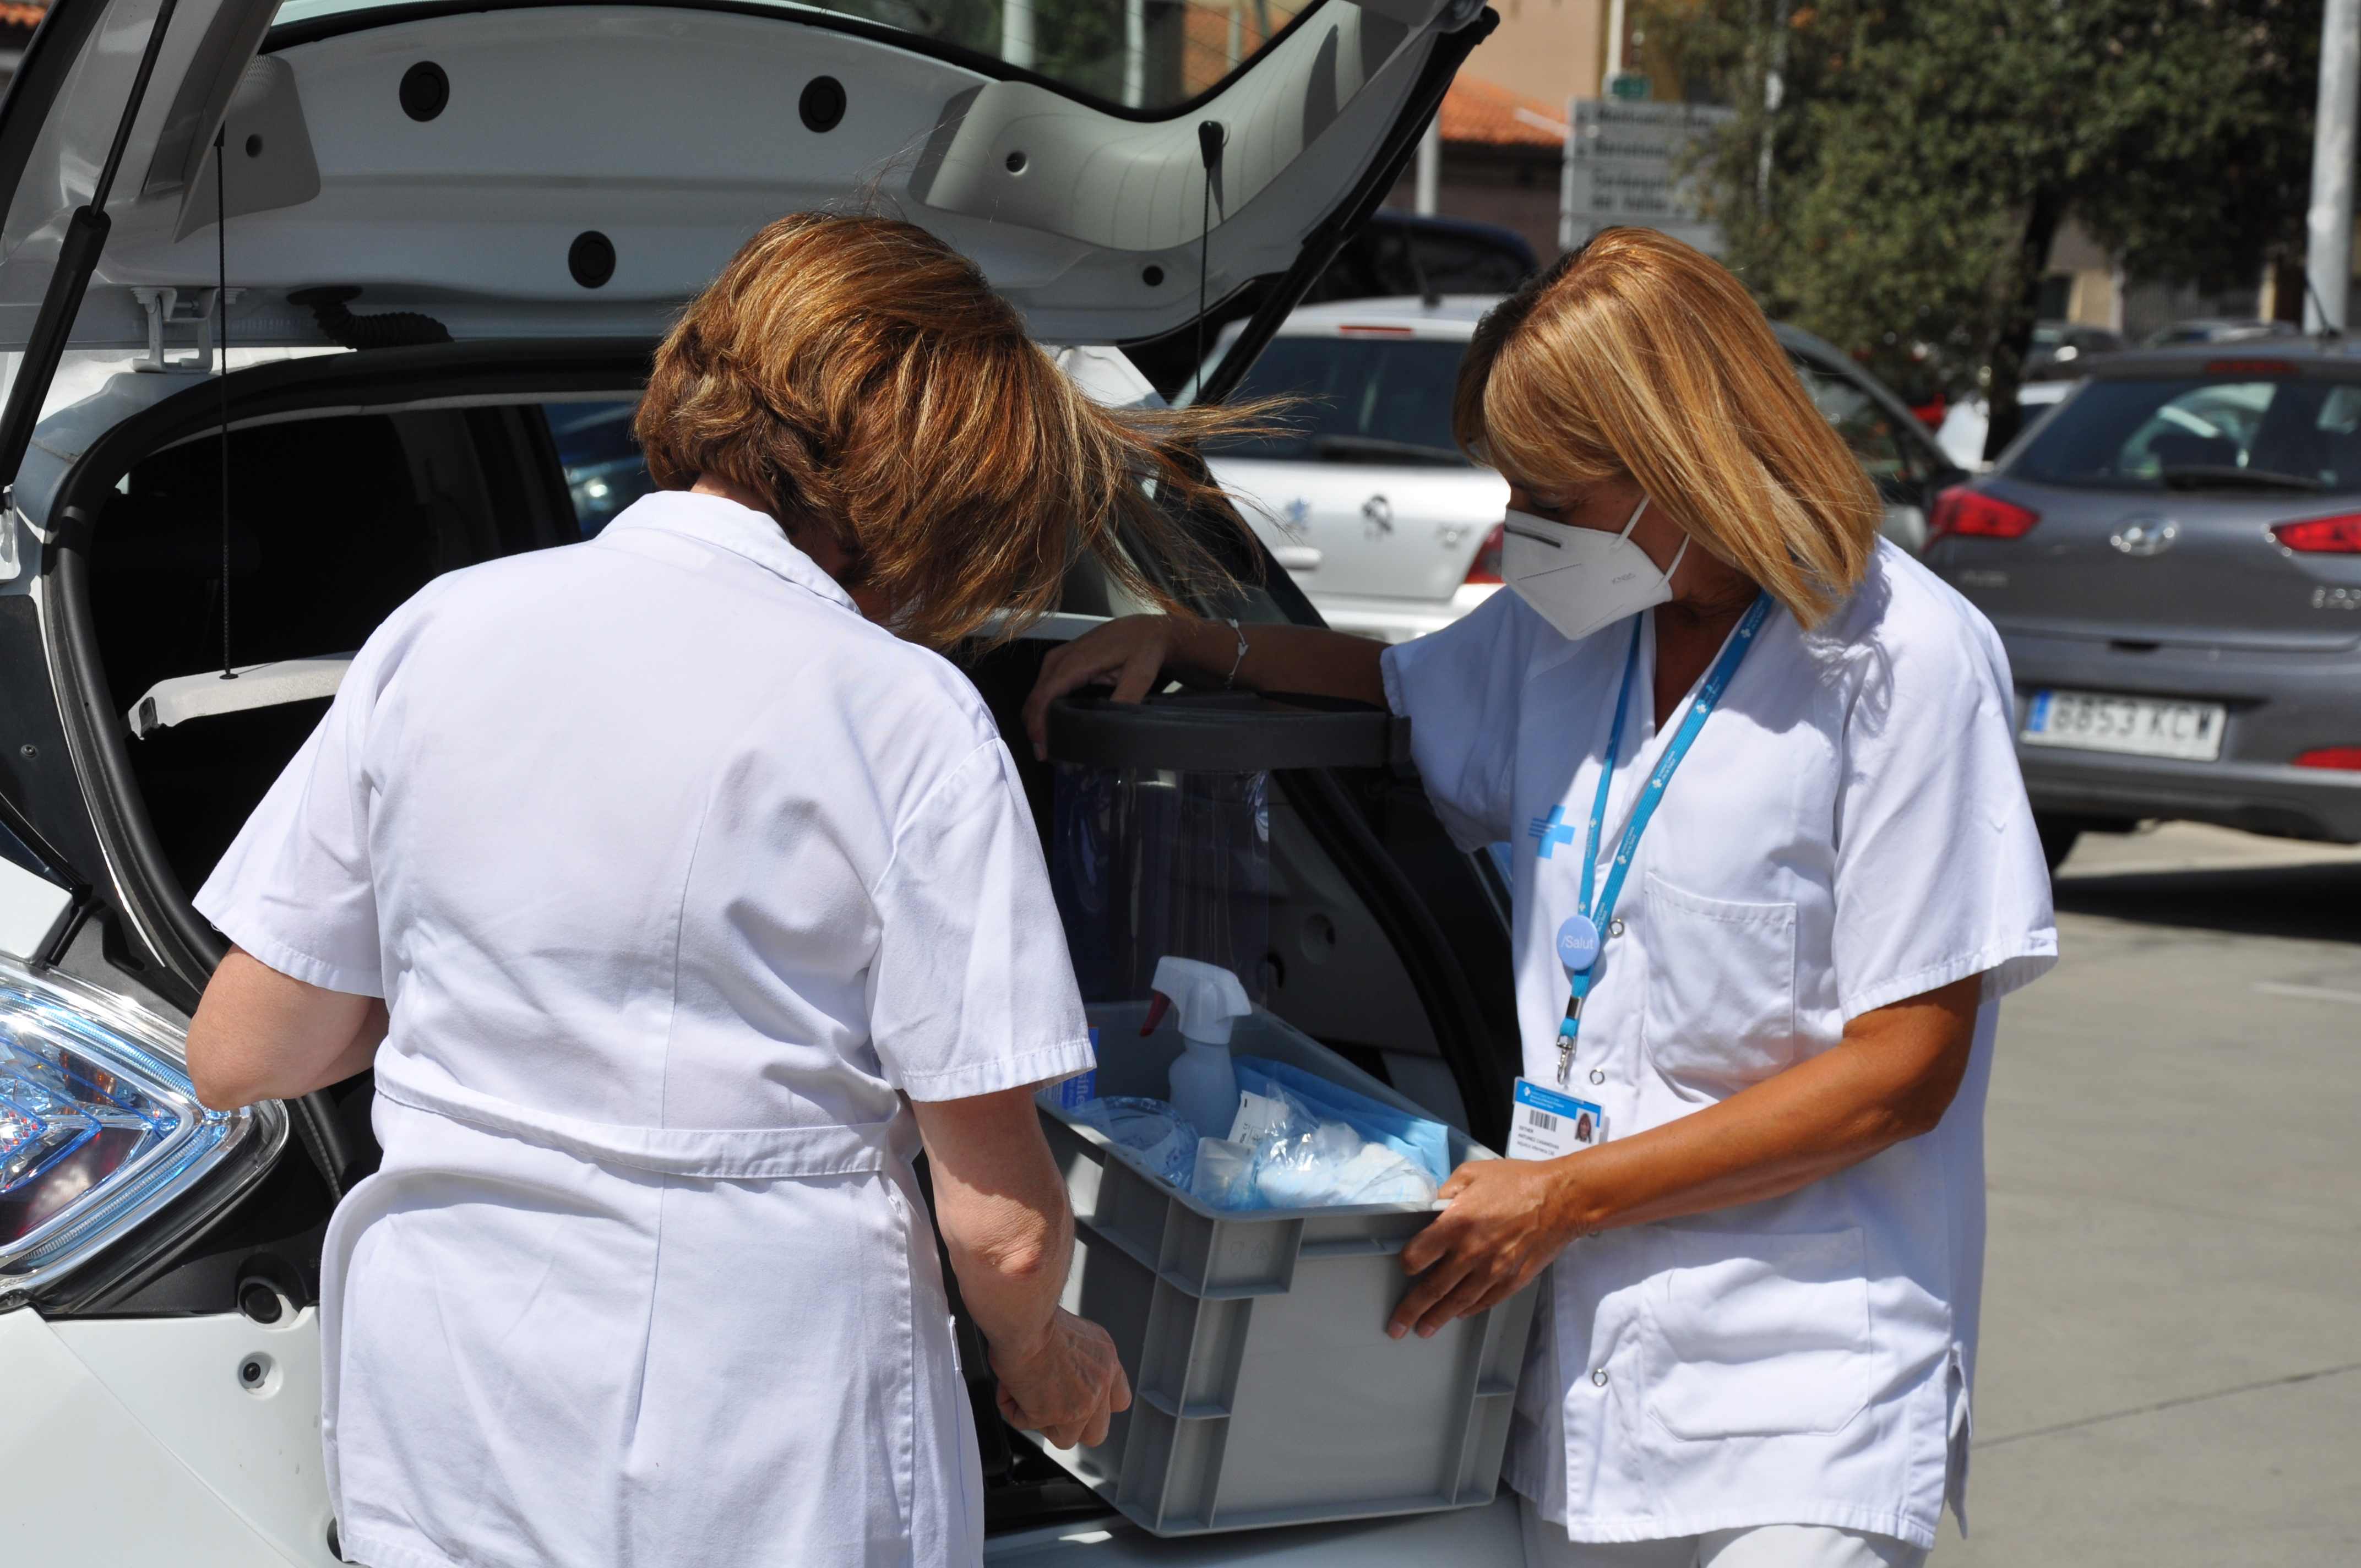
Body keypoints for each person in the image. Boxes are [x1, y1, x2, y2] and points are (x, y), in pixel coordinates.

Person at [182, 212, 1252, 1568]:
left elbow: (244, 1049)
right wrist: (1041, 1355)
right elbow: (1000, 1226)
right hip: (758, 1429)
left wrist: (501, 983)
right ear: (942, 483)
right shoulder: (904, 715)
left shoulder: (441, 626)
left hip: (453, 1395)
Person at [1024, 227, 2056, 1567]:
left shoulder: (1900, 663)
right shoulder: (1577, 629)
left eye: (1553, 492)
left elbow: (1902, 1072)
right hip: (1577, 1388)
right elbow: (1394, 686)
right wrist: (1189, 640)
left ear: (1681, 455)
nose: (1523, 527)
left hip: (1802, 1395)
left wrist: (1563, 1195)